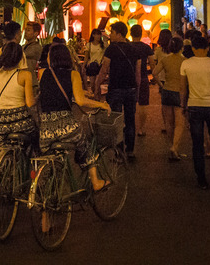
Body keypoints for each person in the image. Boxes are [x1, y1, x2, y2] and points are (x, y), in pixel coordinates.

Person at [39, 43, 110, 190]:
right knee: (85, 144)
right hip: (66, 127)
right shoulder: (73, 74)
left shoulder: (43, 73)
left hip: (45, 130)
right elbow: (80, 101)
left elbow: (54, 91)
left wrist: (83, 92)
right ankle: (96, 182)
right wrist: (102, 104)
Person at [180, 33, 210, 190]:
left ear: (192, 48)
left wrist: (183, 105)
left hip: (194, 106)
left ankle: (201, 179)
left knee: (197, 144)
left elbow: (183, 89)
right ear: (208, 48)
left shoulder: (186, 64)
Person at [95, 21, 141, 161]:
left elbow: (104, 70)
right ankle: (130, 151)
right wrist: (137, 89)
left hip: (115, 88)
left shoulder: (111, 49)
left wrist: (97, 85)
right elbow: (138, 73)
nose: (110, 36)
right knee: (130, 120)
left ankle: (119, 153)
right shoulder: (134, 49)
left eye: (112, 33)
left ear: (119, 34)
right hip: (131, 88)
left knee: (116, 120)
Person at [0, 41, 36, 147]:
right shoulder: (25, 75)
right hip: (20, 122)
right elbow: (29, 103)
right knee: (35, 138)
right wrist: (37, 98)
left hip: (1, 122)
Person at [154, 37, 186, 161]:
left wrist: (161, 85)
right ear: (181, 47)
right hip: (179, 92)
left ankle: (171, 145)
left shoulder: (165, 59)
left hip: (167, 91)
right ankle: (175, 147)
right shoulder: (184, 61)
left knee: (169, 123)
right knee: (179, 123)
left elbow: (155, 73)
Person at [131, 24, 154, 137]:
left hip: (129, 77)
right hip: (143, 76)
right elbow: (152, 63)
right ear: (141, 34)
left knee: (129, 104)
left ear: (130, 34)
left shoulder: (127, 46)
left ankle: (129, 127)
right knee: (143, 103)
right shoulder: (146, 47)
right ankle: (140, 129)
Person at [154, 29, 173, 134]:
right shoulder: (174, 50)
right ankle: (173, 123)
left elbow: (155, 64)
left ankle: (166, 125)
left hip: (162, 79)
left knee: (164, 104)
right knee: (174, 103)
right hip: (173, 78)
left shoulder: (158, 50)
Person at [22, 20, 43, 88]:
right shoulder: (23, 46)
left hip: (31, 82)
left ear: (35, 33)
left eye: (28, 30)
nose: (26, 33)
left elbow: (23, 54)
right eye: (26, 30)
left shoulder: (37, 47)